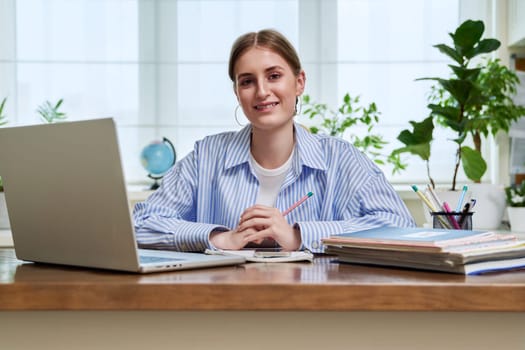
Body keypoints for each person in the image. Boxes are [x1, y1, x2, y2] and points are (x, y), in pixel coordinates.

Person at [133, 29, 415, 253]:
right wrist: (219, 238)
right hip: (222, 307)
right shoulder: (206, 156)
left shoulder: (341, 159)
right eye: (247, 81)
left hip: (316, 308)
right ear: (237, 92)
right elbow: (141, 225)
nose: (262, 91)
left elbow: (400, 226)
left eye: (274, 76)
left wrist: (298, 235)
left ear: (299, 82)